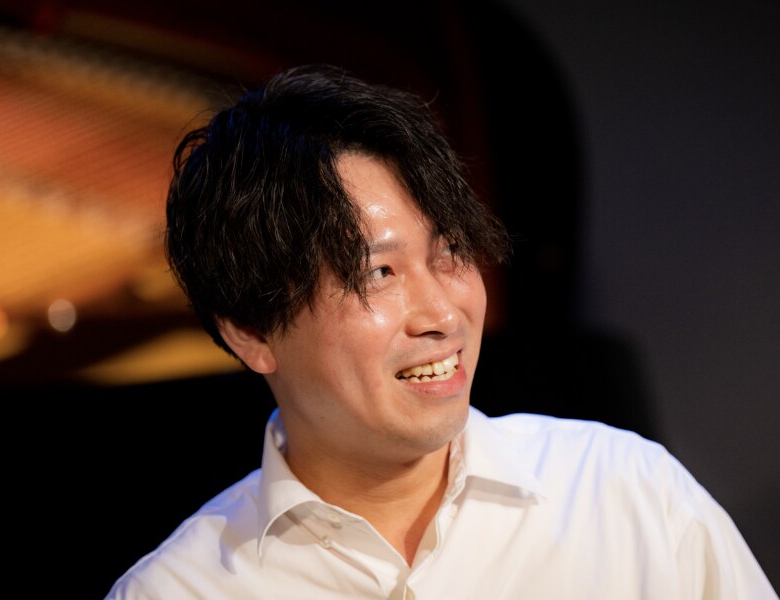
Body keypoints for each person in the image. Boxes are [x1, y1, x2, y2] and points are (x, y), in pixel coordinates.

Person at [105, 63, 777, 599]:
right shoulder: (180, 590)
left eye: (449, 252)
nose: (442, 315)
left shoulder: (628, 494)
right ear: (251, 330)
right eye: (379, 273)